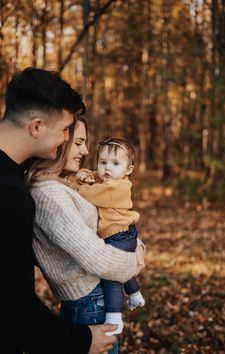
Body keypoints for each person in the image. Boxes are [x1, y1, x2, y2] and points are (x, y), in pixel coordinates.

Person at [0, 67, 144, 354]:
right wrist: (137, 258)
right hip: (85, 305)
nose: (70, 142)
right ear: (37, 126)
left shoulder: (18, 181)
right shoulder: (18, 194)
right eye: (67, 132)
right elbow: (14, 305)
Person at [26, 109, 145, 351]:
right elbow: (97, 258)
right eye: (78, 142)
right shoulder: (49, 193)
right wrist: (137, 259)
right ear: (60, 140)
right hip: (87, 303)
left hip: (89, 300)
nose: (86, 151)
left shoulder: (59, 185)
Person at [71, 138, 145, 336]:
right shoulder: (109, 180)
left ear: (128, 170)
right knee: (123, 269)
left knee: (112, 276)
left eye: (115, 163)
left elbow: (89, 194)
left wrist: (76, 185)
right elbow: (93, 177)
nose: (107, 168)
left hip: (119, 236)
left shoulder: (117, 187)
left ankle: (114, 317)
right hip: (122, 233)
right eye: (102, 162)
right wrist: (85, 175)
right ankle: (135, 294)